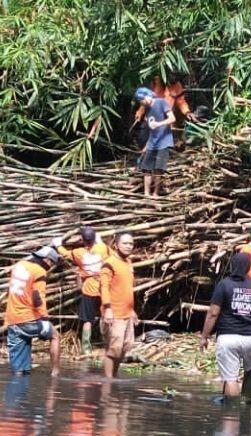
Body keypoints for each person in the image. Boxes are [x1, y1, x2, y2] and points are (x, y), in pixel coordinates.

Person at [200, 253, 251, 400]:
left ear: (232, 266)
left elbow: (213, 313)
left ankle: (232, 414)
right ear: (249, 267)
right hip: (250, 337)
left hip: (228, 338)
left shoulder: (224, 285)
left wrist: (204, 336)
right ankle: (246, 400)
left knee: (230, 378)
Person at [4, 247, 61, 377]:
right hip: (28, 318)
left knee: (19, 370)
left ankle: (16, 391)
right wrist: (44, 318)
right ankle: (55, 375)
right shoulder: (39, 271)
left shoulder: (19, 265)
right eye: (51, 263)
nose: (50, 267)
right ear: (47, 260)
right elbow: (37, 297)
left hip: (12, 318)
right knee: (55, 336)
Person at [54, 227, 109, 356]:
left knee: (87, 320)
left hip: (89, 289)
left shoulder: (78, 253)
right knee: (105, 316)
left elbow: (65, 254)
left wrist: (58, 245)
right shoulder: (102, 248)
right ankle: (108, 345)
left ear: (82, 240)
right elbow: (102, 246)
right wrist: (99, 239)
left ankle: (86, 348)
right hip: (104, 287)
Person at [100, 232, 137, 378]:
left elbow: (127, 288)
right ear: (116, 245)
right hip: (114, 313)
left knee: (125, 347)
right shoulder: (109, 263)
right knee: (113, 349)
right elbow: (104, 287)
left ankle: (114, 376)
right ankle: (108, 382)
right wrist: (107, 309)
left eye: (131, 244)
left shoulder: (128, 263)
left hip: (127, 313)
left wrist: (132, 310)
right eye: (125, 243)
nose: (129, 246)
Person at [135, 86, 177, 197]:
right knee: (147, 169)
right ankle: (146, 194)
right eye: (140, 101)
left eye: (142, 100)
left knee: (159, 169)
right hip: (152, 142)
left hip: (164, 142)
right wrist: (146, 146)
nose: (142, 103)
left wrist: (159, 124)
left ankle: (155, 194)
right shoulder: (147, 110)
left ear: (147, 96)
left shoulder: (161, 102)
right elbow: (151, 131)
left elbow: (172, 118)